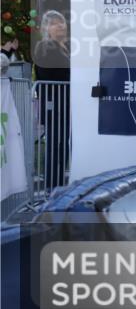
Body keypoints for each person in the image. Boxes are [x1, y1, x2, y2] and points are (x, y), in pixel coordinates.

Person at [33, 10, 71, 190]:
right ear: (47, 28)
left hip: (65, 103)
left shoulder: (65, 47)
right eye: (56, 23)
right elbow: (49, 73)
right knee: (55, 146)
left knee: (63, 145)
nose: (61, 26)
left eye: (62, 22)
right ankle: (51, 187)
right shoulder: (45, 46)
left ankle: (59, 186)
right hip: (54, 103)